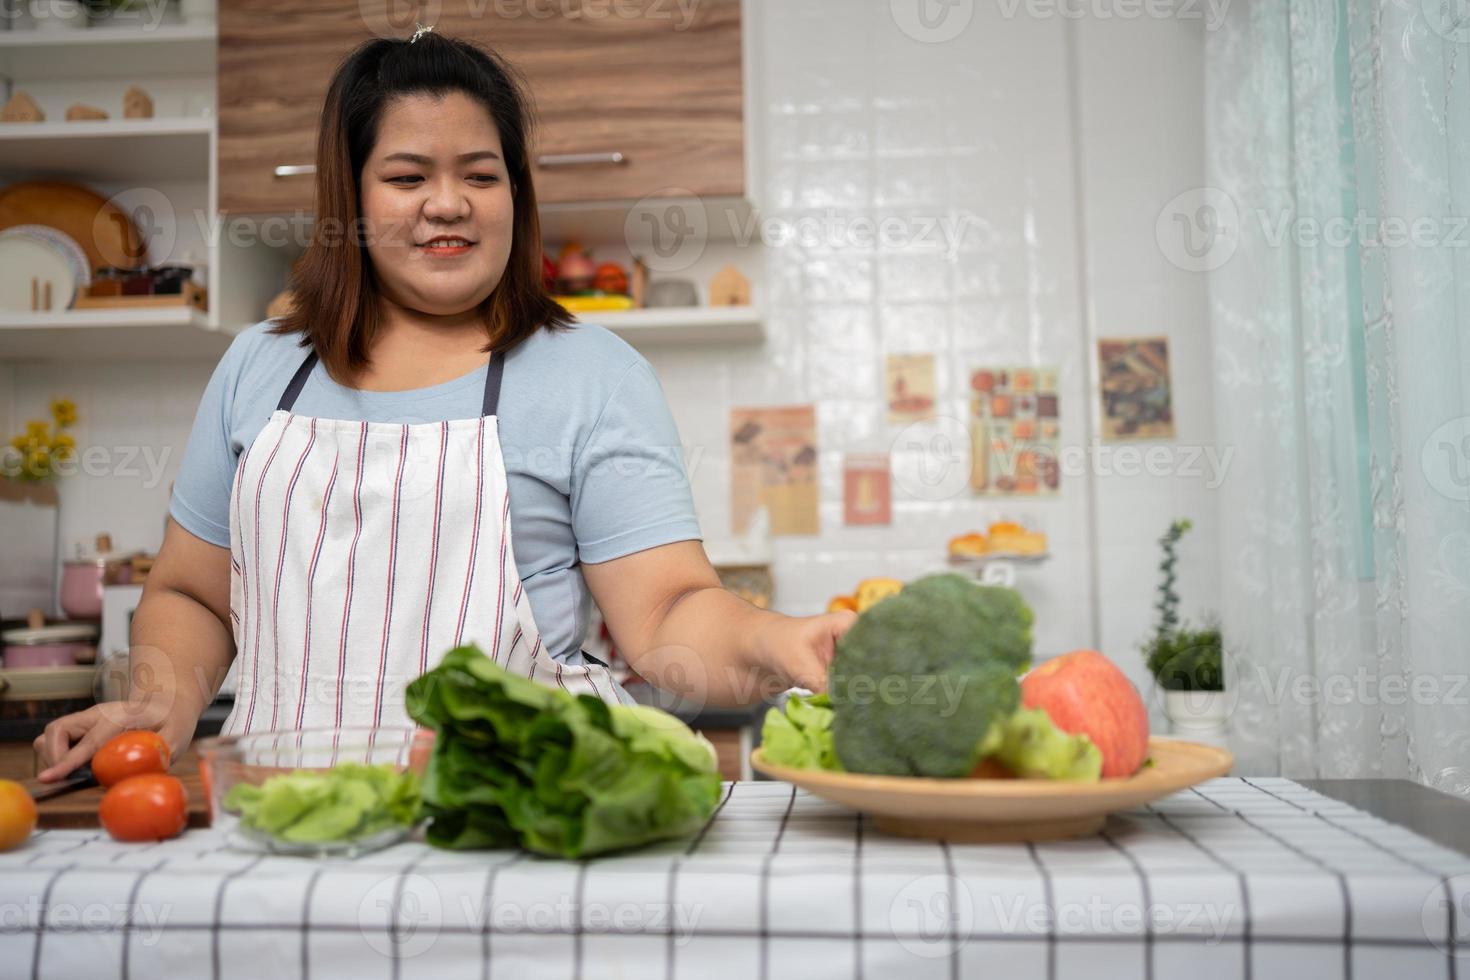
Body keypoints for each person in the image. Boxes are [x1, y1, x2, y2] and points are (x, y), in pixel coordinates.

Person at [35, 31, 855, 780]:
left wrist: (775, 640)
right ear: (350, 196)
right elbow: (191, 595)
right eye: (407, 176)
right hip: (295, 814)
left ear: (514, 192)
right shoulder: (259, 365)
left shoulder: (592, 372)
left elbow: (670, 612)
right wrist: (159, 708)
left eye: (480, 174)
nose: (449, 203)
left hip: (528, 814)